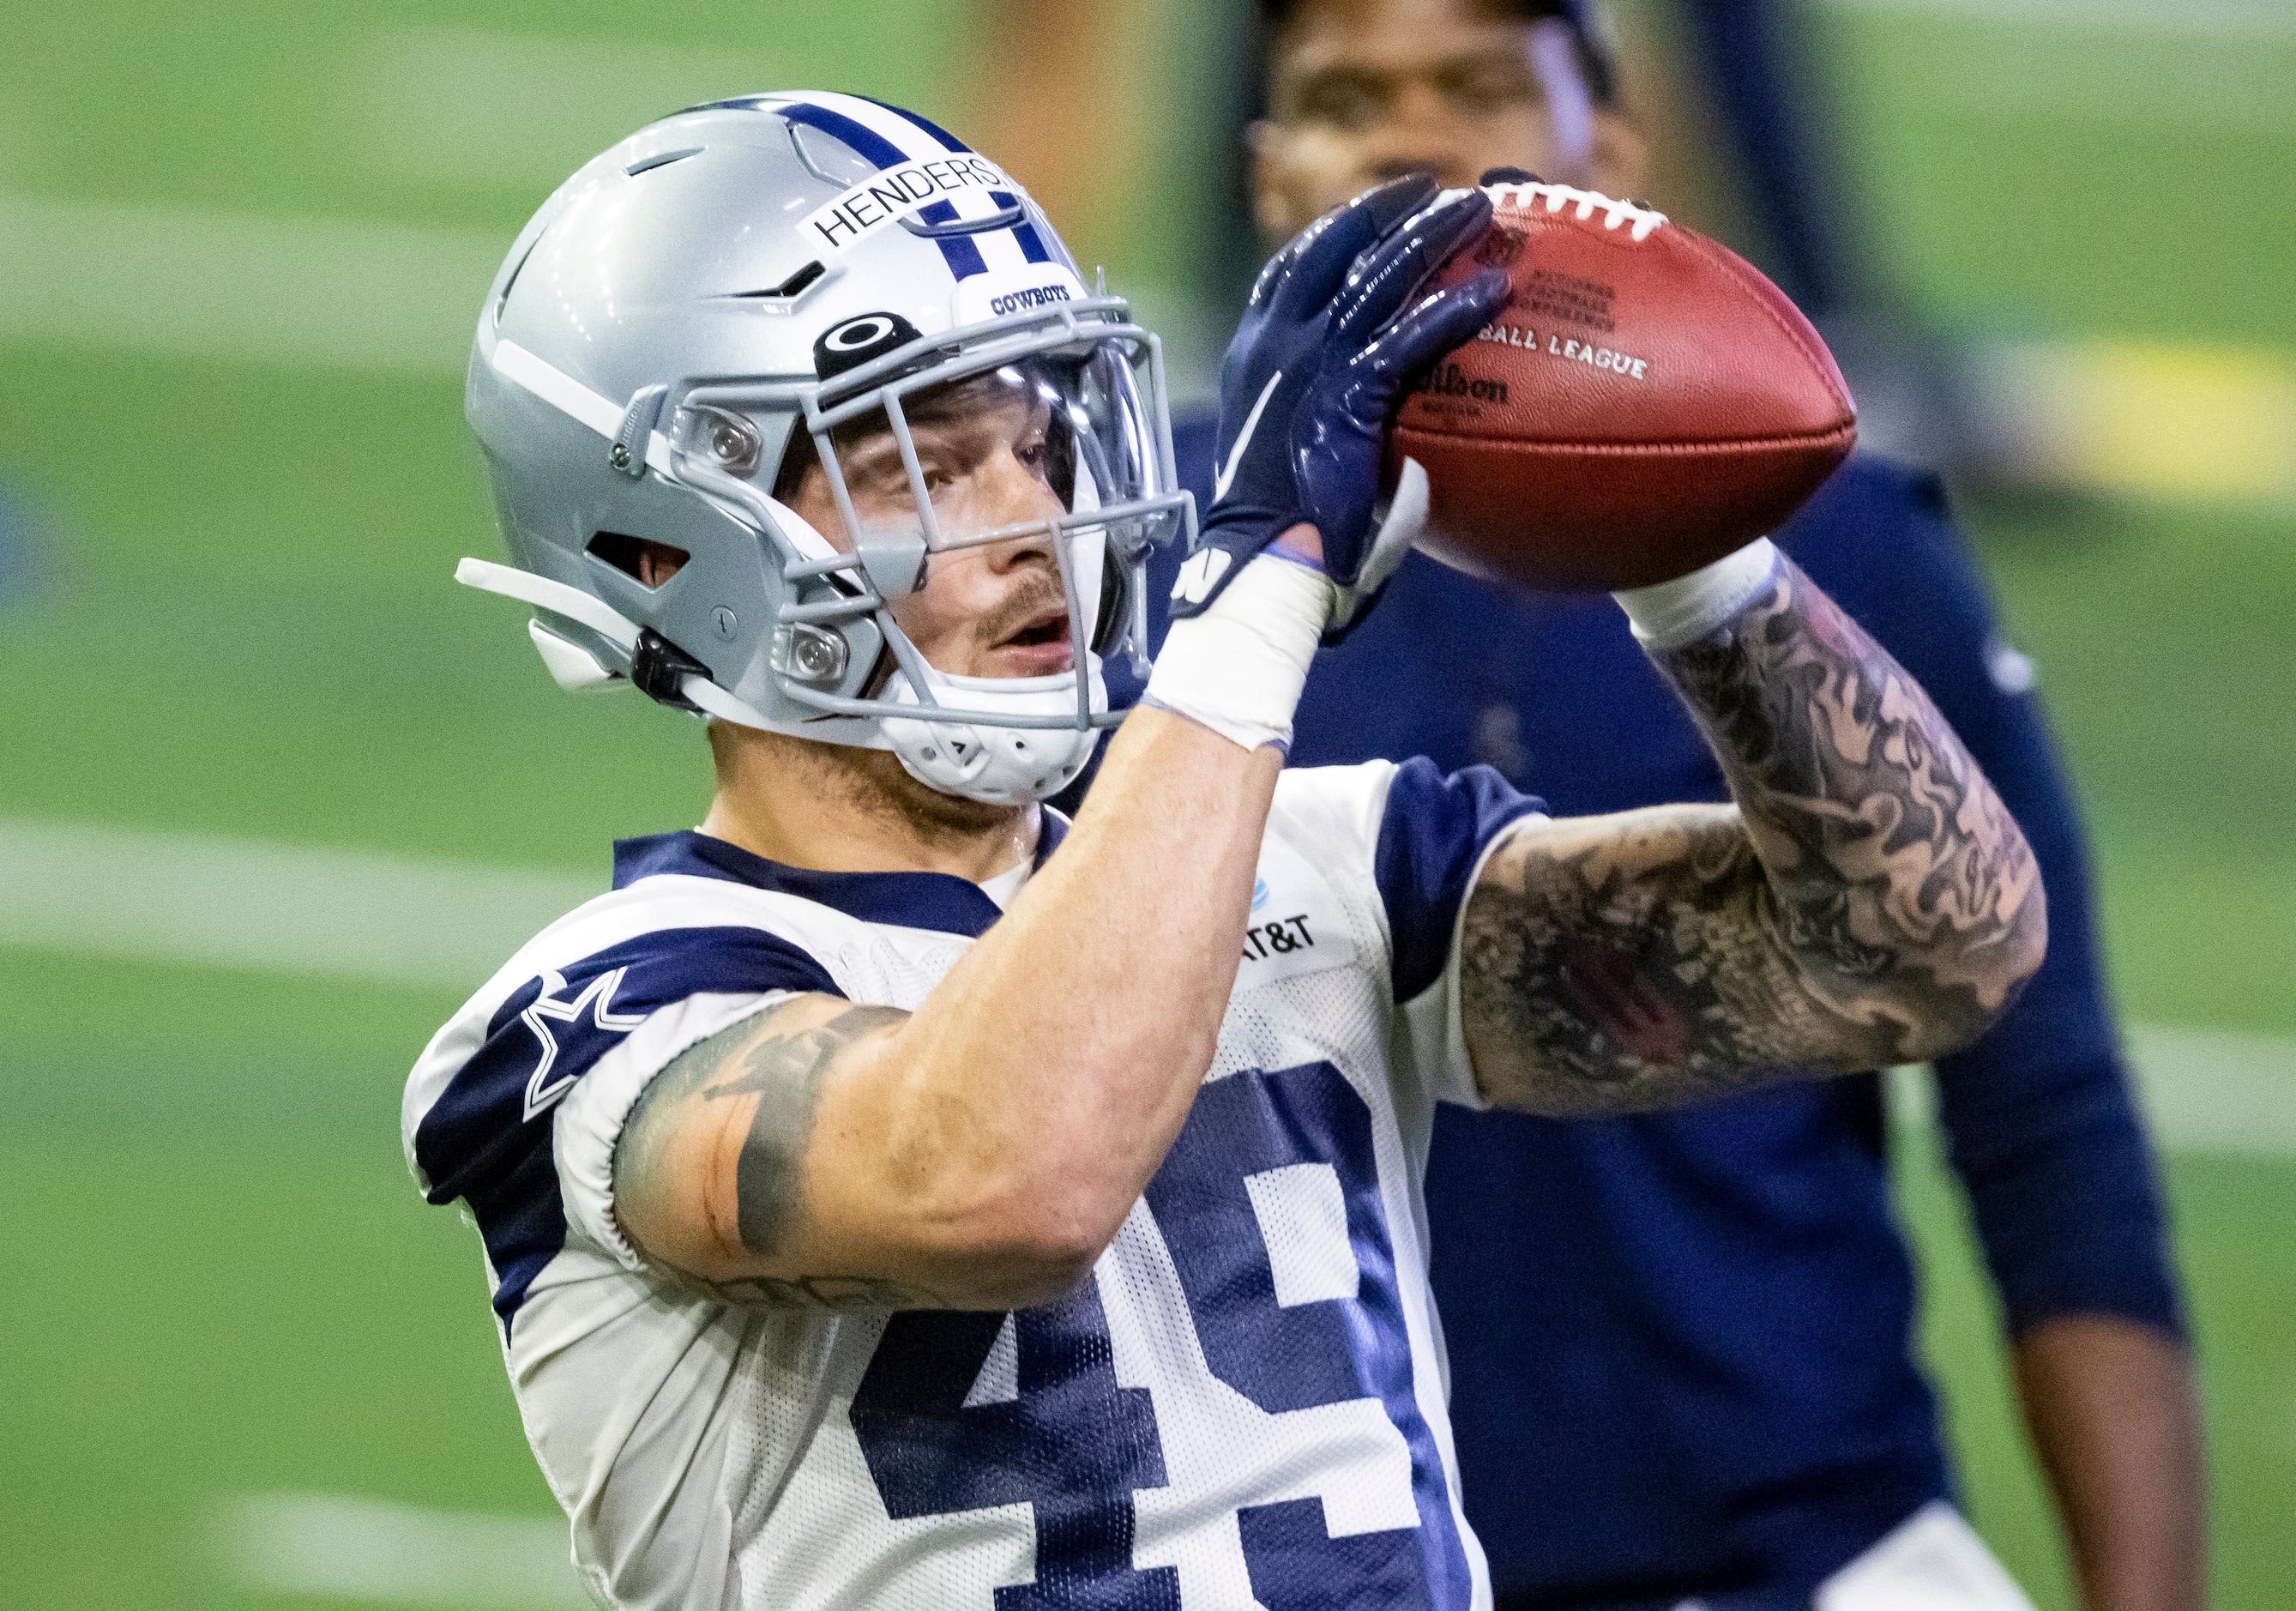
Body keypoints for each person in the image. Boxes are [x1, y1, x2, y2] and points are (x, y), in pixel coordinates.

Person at [402, 93, 2044, 1609]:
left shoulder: (1320, 867)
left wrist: (1688, 554)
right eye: (917, 459)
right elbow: (1011, 1170)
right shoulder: (597, 1030)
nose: (1029, 513)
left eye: (1036, 436)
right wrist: (1258, 591)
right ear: (663, 545)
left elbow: (1928, 948)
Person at [1141, 3, 2193, 1608]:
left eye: (1481, 87)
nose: (1417, 140)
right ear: (1273, 177)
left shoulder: (1832, 541)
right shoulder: (1138, 560)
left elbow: (2045, 1115)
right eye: (1349, 99)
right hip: (1336, 1568)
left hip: (1803, 1545)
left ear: (1614, 161)